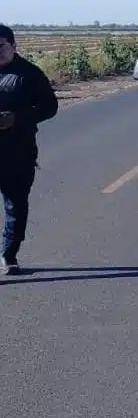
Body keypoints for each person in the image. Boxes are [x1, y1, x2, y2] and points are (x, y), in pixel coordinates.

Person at [0, 24, 58, 275]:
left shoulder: (29, 75)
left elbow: (49, 107)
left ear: (13, 46)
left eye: (1, 46)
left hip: (18, 153)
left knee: (16, 206)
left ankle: (9, 256)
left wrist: (17, 118)